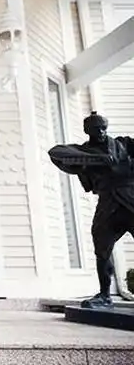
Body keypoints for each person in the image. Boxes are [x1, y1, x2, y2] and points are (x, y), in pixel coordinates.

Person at [48, 111, 134, 309]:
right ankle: (104, 295)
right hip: (108, 205)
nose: (102, 132)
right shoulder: (84, 152)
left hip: (130, 201)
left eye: (104, 128)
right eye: (97, 129)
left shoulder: (123, 144)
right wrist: (99, 159)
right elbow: (56, 153)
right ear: (87, 130)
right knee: (102, 249)